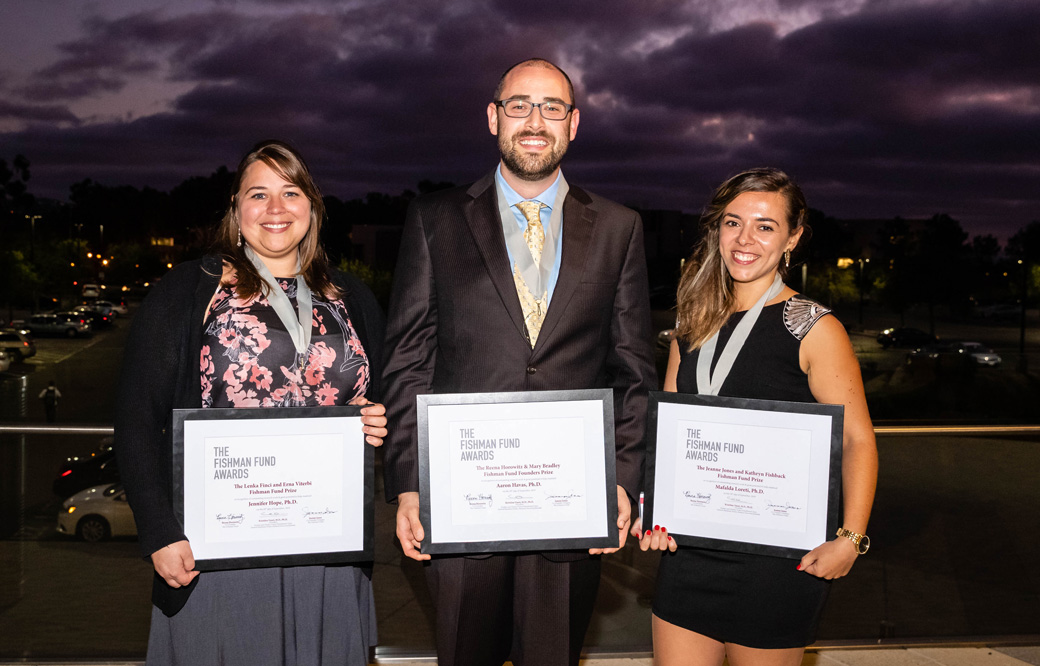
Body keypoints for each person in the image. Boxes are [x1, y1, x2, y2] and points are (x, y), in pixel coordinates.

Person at [381, 58, 657, 666]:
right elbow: (407, 361)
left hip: (572, 504)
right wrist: (407, 484)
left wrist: (622, 480)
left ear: (574, 123)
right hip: (458, 503)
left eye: (552, 107)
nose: (535, 120)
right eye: (519, 105)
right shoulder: (435, 219)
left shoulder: (619, 228)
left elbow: (634, 368)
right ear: (492, 117)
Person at [114, 140, 388, 665]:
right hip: (216, 550)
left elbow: (384, 396)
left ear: (312, 207)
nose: (276, 208)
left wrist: (378, 418)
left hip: (325, 547)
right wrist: (158, 531)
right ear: (236, 211)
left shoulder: (350, 297)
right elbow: (135, 417)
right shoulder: (190, 290)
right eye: (258, 194)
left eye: (291, 192)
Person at [636, 168, 878, 666]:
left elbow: (858, 440)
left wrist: (850, 540)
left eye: (765, 226)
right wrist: (654, 513)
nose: (745, 239)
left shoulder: (812, 327)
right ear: (716, 231)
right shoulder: (692, 321)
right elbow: (670, 435)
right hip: (690, 554)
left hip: (778, 563)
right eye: (732, 222)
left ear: (792, 237)